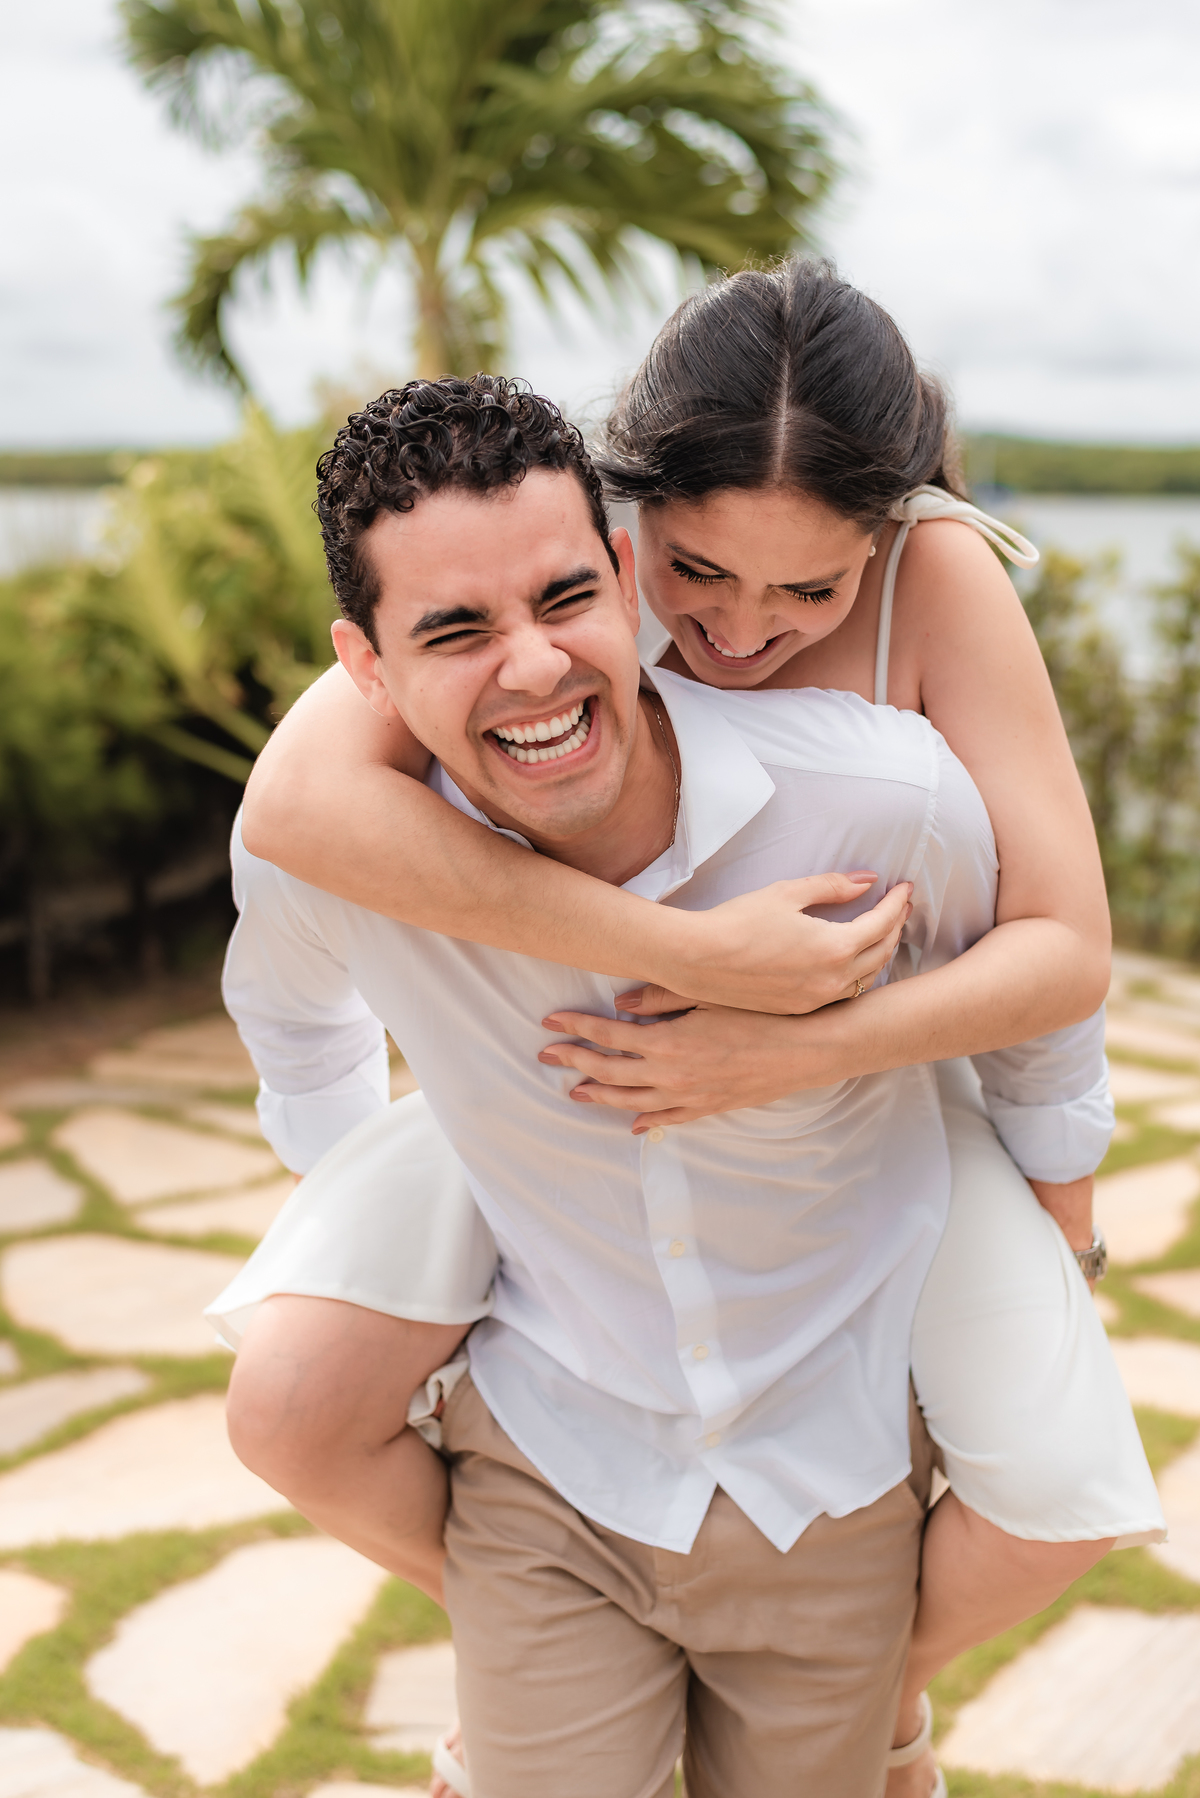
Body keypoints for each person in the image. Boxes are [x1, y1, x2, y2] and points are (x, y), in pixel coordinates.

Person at [215, 352, 1161, 1798]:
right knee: (286, 1398)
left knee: (1058, 1475)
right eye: (698, 574)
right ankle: (550, 1648)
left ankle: (859, 1686)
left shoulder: (926, 623)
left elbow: (1053, 949)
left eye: (808, 594)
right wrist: (690, 954)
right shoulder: (540, 595)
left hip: (858, 1067)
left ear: (881, 536)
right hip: (560, 1065)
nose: (734, 633)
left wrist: (814, 1055)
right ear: (637, 521)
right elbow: (288, 824)